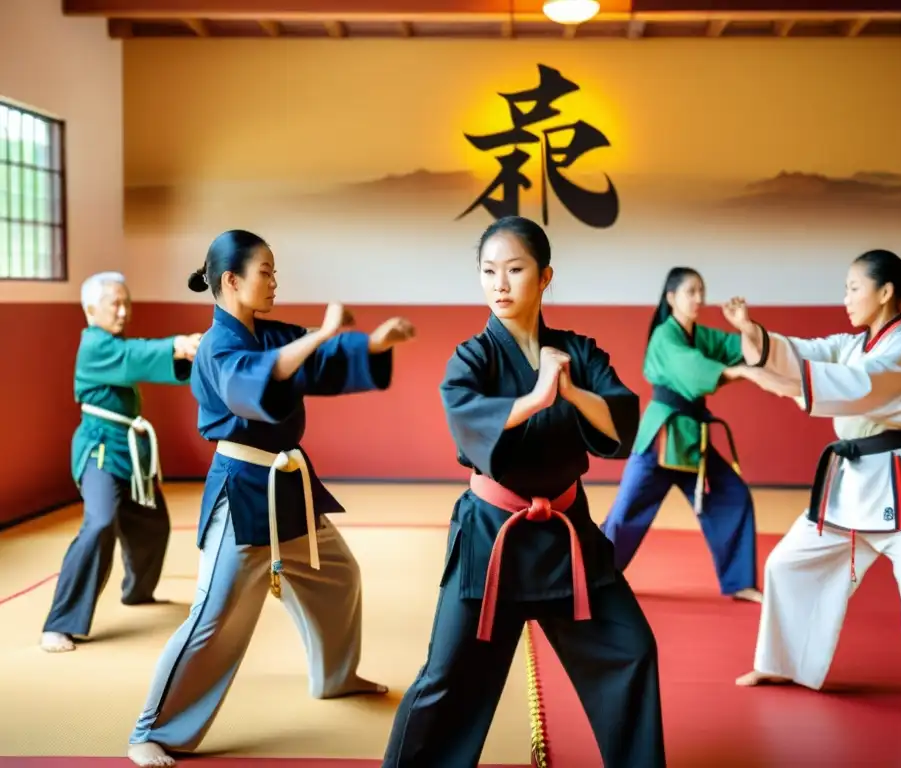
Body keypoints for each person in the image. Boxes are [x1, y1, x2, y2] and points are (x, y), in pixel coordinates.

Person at [382, 216, 665, 768]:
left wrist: (570, 391)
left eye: (515, 270)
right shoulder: (472, 358)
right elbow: (464, 418)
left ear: (545, 276)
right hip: (493, 540)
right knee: (447, 678)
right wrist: (535, 399)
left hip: (568, 541)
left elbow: (619, 424)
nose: (500, 284)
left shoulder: (577, 352)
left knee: (631, 649)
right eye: (489, 272)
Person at [126, 230, 416, 768]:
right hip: (242, 491)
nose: (275, 282)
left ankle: (335, 676)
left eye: (274, 272)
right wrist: (321, 333)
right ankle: (152, 730)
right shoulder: (217, 345)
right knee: (215, 617)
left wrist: (372, 344)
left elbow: (311, 359)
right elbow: (255, 383)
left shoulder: (268, 333)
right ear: (232, 280)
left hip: (289, 487)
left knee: (337, 575)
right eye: (266, 272)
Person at [727, 249, 901, 762]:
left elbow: (856, 388)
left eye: (853, 287)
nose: (845, 297)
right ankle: (783, 661)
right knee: (785, 563)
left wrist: (783, 382)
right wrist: (755, 334)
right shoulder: (852, 344)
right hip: (850, 484)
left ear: (886, 291)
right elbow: (806, 353)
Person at [40, 271, 202, 654]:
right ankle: (58, 624)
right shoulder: (95, 345)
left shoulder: (114, 345)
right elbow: (137, 358)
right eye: (115, 303)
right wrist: (177, 344)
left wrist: (197, 357)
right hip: (100, 451)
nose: (124, 310)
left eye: (127, 302)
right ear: (90, 309)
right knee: (99, 524)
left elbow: (140, 358)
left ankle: (137, 592)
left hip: (130, 455)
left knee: (152, 525)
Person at [600, 267, 768, 602]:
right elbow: (694, 371)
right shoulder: (665, 336)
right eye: (690, 291)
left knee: (732, 495)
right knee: (625, 513)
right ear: (671, 297)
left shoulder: (702, 335)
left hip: (693, 440)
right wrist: (744, 374)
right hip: (662, 435)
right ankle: (592, 578)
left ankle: (740, 582)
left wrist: (745, 326)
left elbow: (745, 349)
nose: (699, 299)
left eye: (701, 291)